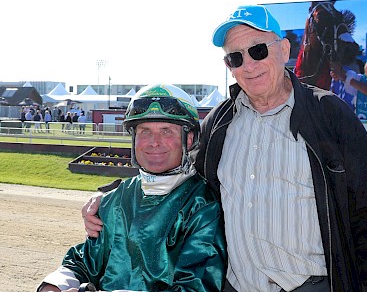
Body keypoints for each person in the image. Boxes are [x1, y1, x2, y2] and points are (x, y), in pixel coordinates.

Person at [82, 5, 367, 292]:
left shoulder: (329, 113)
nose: (248, 65)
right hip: (235, 285)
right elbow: (177, 178)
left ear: (283, 49)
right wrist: (112, 197)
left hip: (314, 284)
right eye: (235, 58)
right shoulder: (219, 121)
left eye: (258, 51)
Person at [37, 84, 227, 292]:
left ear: (189, 139)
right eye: (145, 131)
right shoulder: (113, 200)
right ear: (134, 138)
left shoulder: (204, 207)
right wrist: (54, 286)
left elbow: (196, 287)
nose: (154, 142)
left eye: (166, 131)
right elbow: (84, 261)